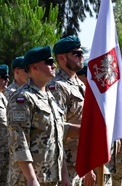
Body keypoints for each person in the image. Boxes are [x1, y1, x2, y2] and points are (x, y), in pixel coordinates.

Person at [7, 45, 71, 186]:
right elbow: (19, 141)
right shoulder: (23, 98)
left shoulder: (50, 97)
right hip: (28, 180)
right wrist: (31, 178)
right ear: (34, 67)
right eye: (49, 62)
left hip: (51, 177)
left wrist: (64, 174)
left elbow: (57, 139)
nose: (54, 65)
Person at [48, 36, 92, 185]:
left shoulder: (79, 84)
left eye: (81, 53)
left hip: (79, 161)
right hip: (64, 162)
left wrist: (88, 168)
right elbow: (57, 129)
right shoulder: (57, 86)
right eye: (76, 54)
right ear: (61, 57)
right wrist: (63, 173)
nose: (81, 57)